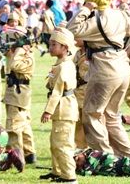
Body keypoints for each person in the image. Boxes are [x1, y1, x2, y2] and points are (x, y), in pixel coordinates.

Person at [66, 0, 130, 158]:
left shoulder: (98, 19)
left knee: (92, 114)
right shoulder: (118, 14)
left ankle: (104, 157)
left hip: (104, 68)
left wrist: (85, 8)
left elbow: (71, 30)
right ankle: (128, 156)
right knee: (111, 116)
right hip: (121, 66)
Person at [39, 26, 79, 184]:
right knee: (54, 143)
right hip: (61, 109)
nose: (50, 48)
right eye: (50, 44)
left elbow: (57, 92)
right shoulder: (59, 63)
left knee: (63, 144)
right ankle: (57, 172)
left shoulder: (65, 66)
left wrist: (47, 111)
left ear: (65, 47)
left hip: (65, 108)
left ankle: (69, 176)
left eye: (54, 44)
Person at [0, 26, 36, 172]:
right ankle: (29, 153)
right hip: (16, 92)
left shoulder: (24, 54)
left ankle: (17, 157)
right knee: (24, 124)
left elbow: (14, 65)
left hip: (18, 93)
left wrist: (20, 49)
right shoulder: (16, 52)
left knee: (13, 127)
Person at [72, 38, 89, 149]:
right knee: (78, 121)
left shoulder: (92, 53)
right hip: (77, 91)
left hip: (88, 90)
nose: (75, 39)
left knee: (87, 122)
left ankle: (90, 149)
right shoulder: (77, 53)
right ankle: (80, 147)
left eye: (77, 37)